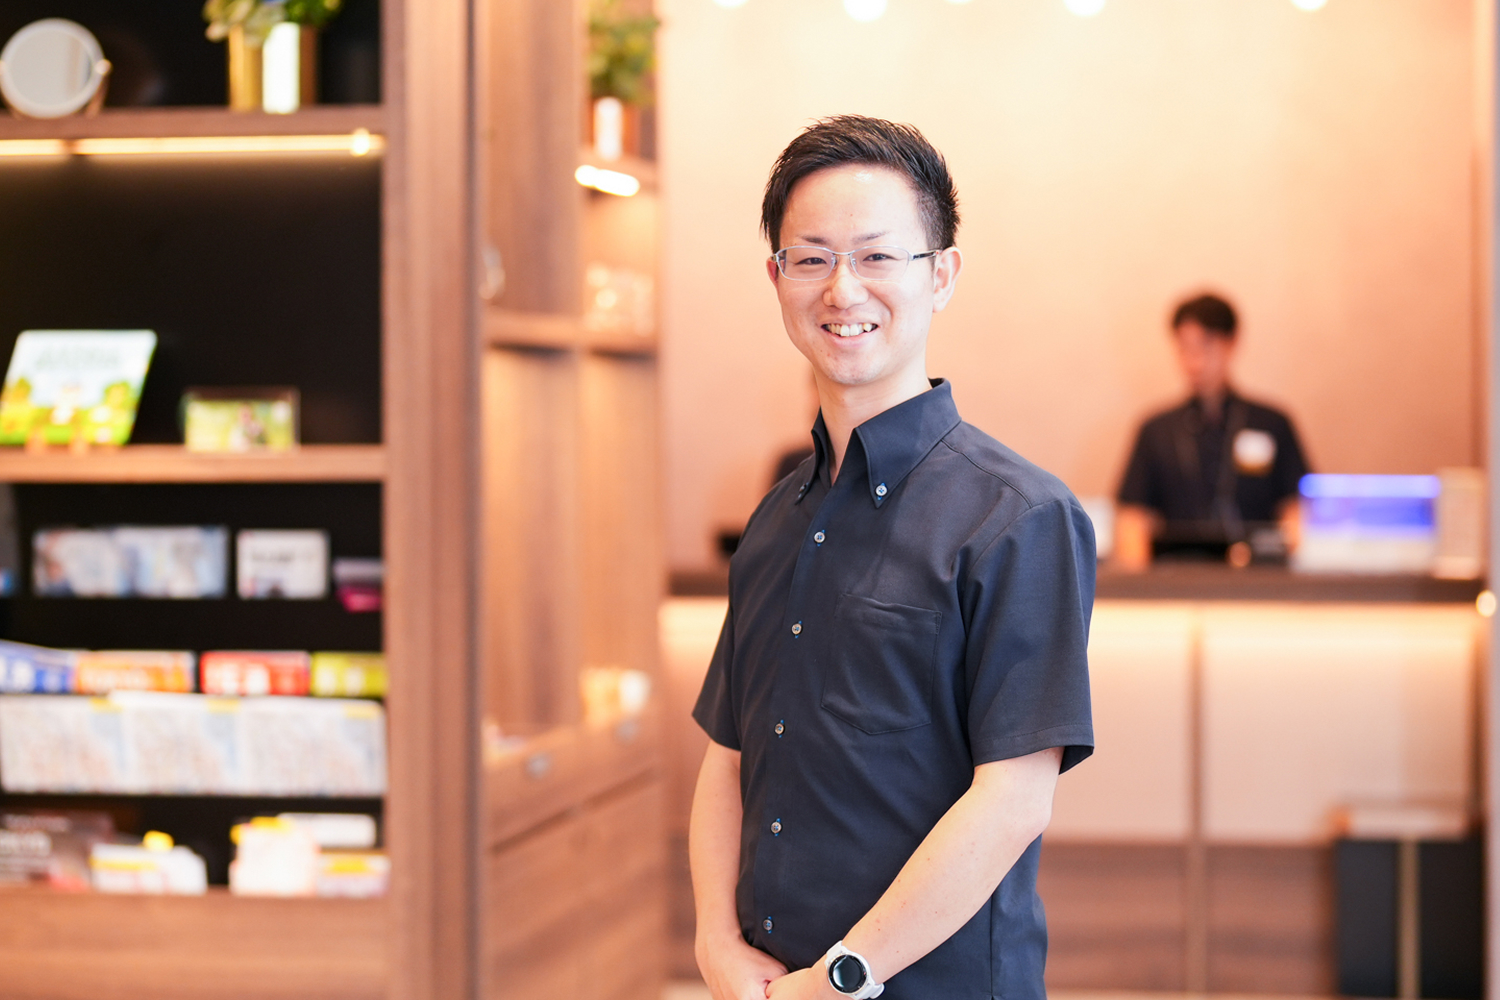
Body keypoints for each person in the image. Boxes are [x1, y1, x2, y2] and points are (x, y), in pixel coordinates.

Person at [689, 116, 1095, 1000]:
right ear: (776, 278)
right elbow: (728, 757)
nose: (843, 289)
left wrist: (842, 979)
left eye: (877, 256)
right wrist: (715, 942)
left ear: (941, 274)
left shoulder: (1021, 518)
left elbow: (1014, 799)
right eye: (811, 259)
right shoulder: (774, 520)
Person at [1114, 294, 1310, 570]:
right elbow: (1132, 519)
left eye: (1205, 346)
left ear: (1232, 342)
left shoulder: (1272, 424)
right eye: (1184, 349)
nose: (1194, 362)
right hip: (1177, 577)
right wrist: (1139, 581)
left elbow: (1296, 511)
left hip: (1259, 577)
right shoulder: (1155, 430)